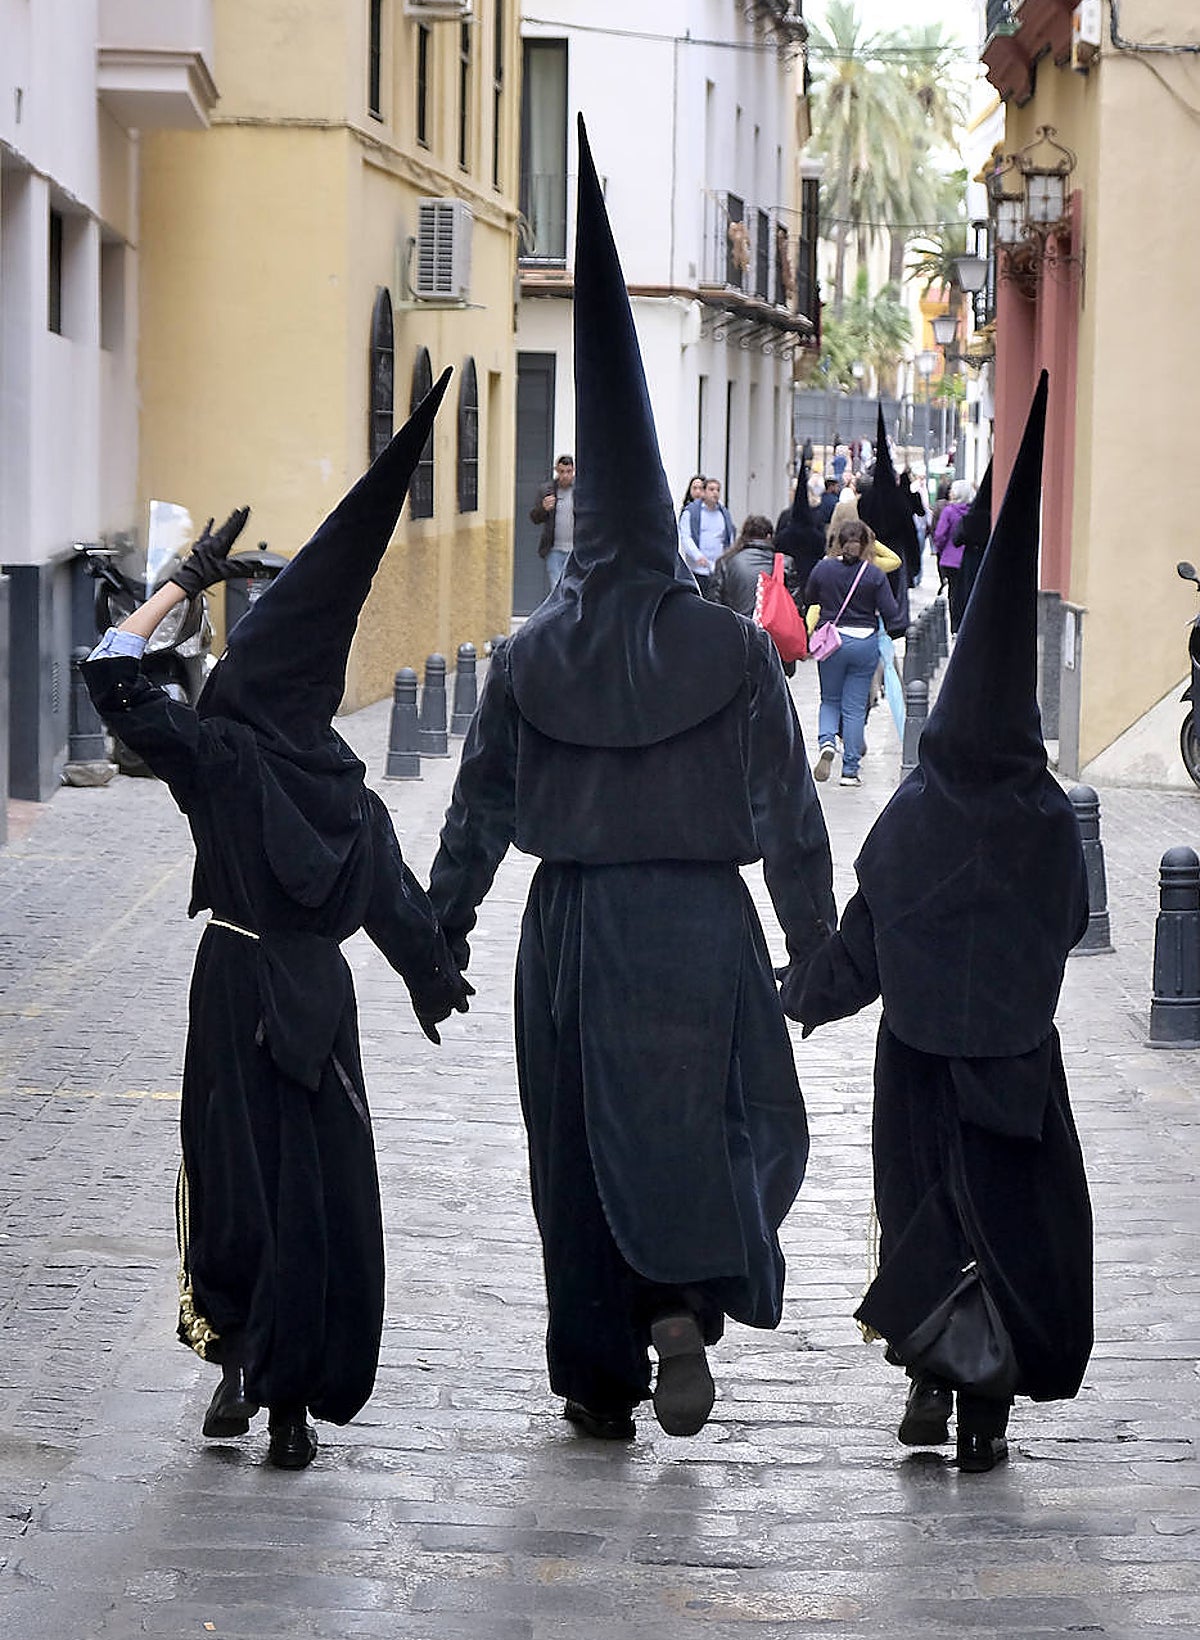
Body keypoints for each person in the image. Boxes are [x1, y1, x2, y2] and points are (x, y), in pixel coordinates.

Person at [427, 119, 836, 1445]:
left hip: (577, 935)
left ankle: (601, 1378)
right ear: (668, 527)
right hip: (703, 928)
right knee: (714, 1125)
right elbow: (791, 816)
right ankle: (687, 1308)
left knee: (578, 1149)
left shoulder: (531, 655)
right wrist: (816, 960)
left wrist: (438, 941)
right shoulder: (732, 651)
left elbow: (478, 815)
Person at [81, 379, 471, 1471]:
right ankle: (291, 1400)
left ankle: (236, 1366)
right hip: (319, 996)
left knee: (234, 1172)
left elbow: (107, 674)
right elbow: (402, 910)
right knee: (315, 1182)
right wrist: (438, 980)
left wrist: (176, 586)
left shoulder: (218, 758)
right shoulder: (348, 786)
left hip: (234, 984)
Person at [788, 374, 1092, 1475]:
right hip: (1013, 1064)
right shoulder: (1049, 819)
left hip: (916, 1064)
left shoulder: (915, 812)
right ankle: (988, 1415)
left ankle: (927, 1373)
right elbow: (1067, 922)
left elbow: (868, 937)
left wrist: (804, 994)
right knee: (1005, 1220)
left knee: (922, 1215)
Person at [804, 519, 900, 788]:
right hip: (864, 643)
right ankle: (850, 770)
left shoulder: (823, 569)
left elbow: (810, 597)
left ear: (837, 541)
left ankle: (826, 742)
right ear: (865, 544)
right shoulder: (874, 575)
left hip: (832, 643)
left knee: (830, 700)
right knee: (855, 708)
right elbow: (892, 612)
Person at [681, 475, 735, 595]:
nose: (715, 493)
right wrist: (697, 556)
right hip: (697, 568)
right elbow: (686, 536)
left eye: (718, 490)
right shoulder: (692, 512)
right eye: (711, 489)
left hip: (717, 569)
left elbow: (729, 536)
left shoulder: (724, 513)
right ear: (704, 492)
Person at [530, 453, 576, 593]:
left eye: (568, 472)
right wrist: (543, 508)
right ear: (556, 470)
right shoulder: (547, 490)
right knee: (556, 590)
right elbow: (535, 518)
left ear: (573, 471)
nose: (565, 476)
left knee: (574, 589)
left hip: (576, 551)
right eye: (562, 471)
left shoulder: (581, 491)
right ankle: (560, 616)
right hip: (554, 550)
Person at [933, 479, 974, 597]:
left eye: (952, 490)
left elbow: (940, 535)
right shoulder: (972, 511)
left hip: (950, 559)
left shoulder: (949, 511)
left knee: (953, 593)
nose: (950, 493)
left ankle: (955, 615)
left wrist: (941, 550)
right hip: (968, 558)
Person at [676, 473, 710, 581]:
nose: (698, 492)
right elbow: (685, 537)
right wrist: (697, 555)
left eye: (701, 488)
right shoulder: (688, 512)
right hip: (694, 564)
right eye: (694, 488)